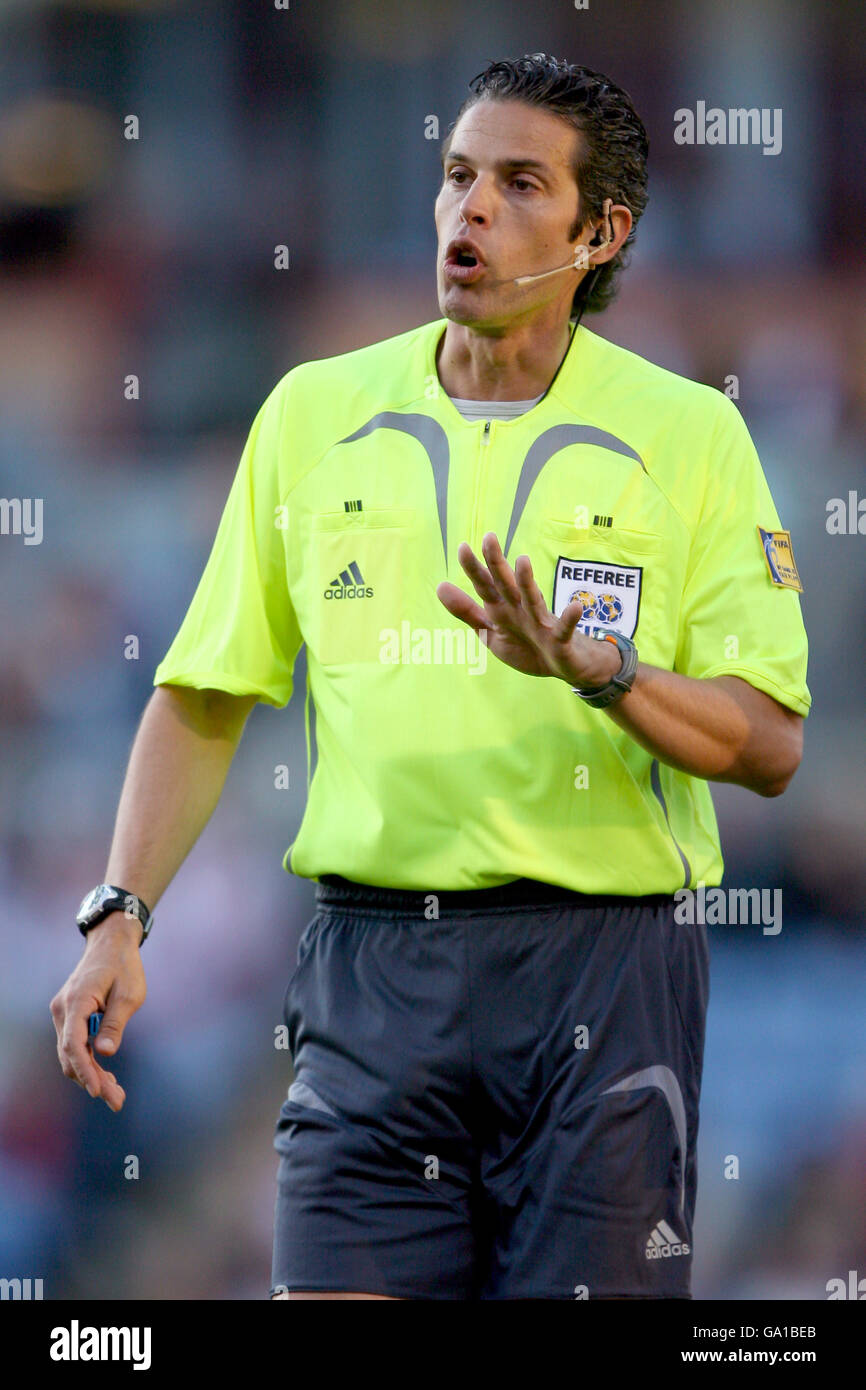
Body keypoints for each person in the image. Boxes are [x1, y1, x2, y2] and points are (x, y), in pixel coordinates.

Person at [50, 54, 810, 1300]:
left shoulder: (690, 436)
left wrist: (604, 674)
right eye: (457, 176)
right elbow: (203, 692)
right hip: (369, 970)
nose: (468, 209)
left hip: (600, 972)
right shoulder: (311, 413)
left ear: (597, 231)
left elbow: (769, 743)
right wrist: (121, 910)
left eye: (518, 184)